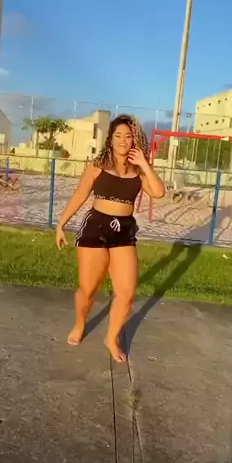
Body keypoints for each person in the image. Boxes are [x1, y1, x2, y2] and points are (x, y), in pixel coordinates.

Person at [55, 114, 165, 362]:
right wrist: (61, 224)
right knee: (88, 289)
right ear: (110, 139)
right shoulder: (97, 167)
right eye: (118, 136)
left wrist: (145, 164)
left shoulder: (138, 171)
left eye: (128, 136)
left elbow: (159, 192)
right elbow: (80, 195)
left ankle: (111, 338)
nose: (123, 140)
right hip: (96, 227)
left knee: (126, 292)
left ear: (135, 140)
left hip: (124, 232)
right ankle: (80, 323)